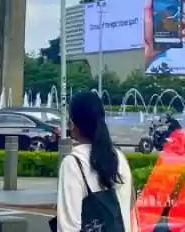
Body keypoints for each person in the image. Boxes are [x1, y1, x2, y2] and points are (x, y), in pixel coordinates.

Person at [57, 91, 135, 232]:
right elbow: (130, 216)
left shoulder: (73, 163)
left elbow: (68, 227)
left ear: (73, 124)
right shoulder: (119, 158)